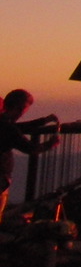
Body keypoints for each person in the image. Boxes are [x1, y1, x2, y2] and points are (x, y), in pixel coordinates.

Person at [0, 89, 60, 224]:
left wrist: (43, 121)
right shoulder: (7, 127)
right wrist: (50, 144)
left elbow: (19, 128)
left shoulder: (5, 124)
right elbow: (30, 148)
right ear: (20, 108)